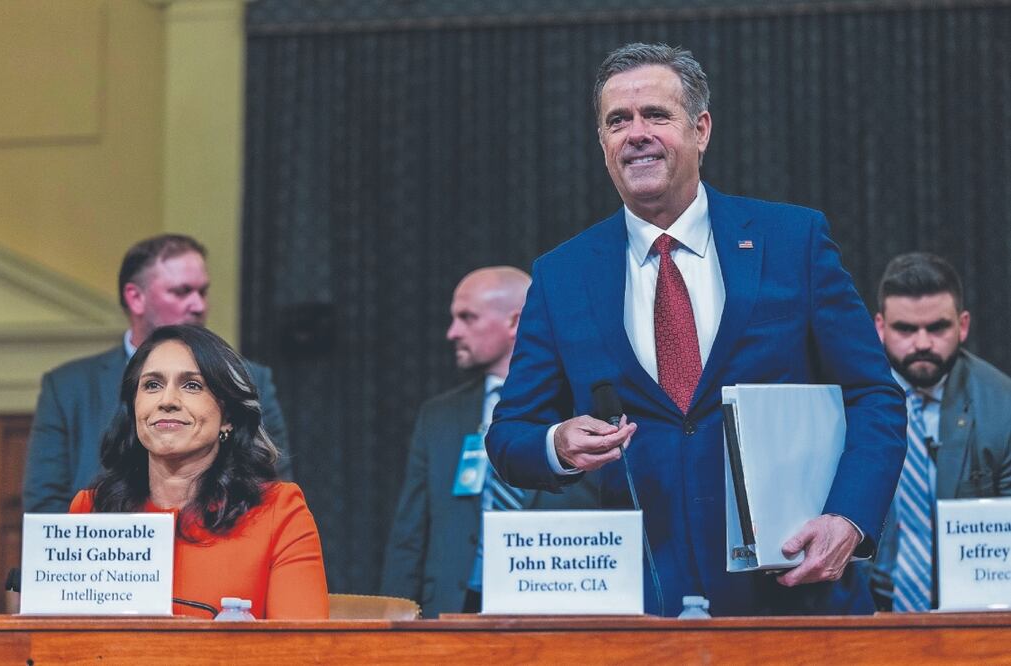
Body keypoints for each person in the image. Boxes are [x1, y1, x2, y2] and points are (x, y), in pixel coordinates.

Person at [486, 42, 906, 616]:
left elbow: (875, 396)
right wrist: (556, 444)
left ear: (701, 129)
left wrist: (851, 518)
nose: (636, 133)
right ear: (602, 144)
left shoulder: (793, 241)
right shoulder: (563, 274)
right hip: (640, 609)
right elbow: (510, 433)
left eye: (656, 115)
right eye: (617, 121)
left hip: (796, 596)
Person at [380, 267, 599, 617]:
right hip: (455, 606)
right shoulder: (439, 415)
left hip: (556, 603)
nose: (453, 332)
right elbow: (410, 533)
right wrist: (392, 619)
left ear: (515, 323)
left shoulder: (584, 408)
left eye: (467, 317)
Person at [70, 324, 328, 619]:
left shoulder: (278, 512)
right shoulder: (91, 510)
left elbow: (304, 652)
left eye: (192, 385)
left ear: (228, 416)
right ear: (134, 409)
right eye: (152, 385)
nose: (167, 401)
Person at [24, 234, 291, 514]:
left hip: (224, 536)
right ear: (135, 298)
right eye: (181, 291)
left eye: (202, 292)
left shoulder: (251, 379)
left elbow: (270, 485)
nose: (198, 306)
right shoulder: (68, 387)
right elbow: (45, 505)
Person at [870, 252, 1011, 611]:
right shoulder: (844, 396)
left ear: (962, 326)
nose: (921, 343)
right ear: (880, 327)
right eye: (905, 329)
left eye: (937, 328)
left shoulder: (1002, 405)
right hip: (866, 608)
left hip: (972, 610)